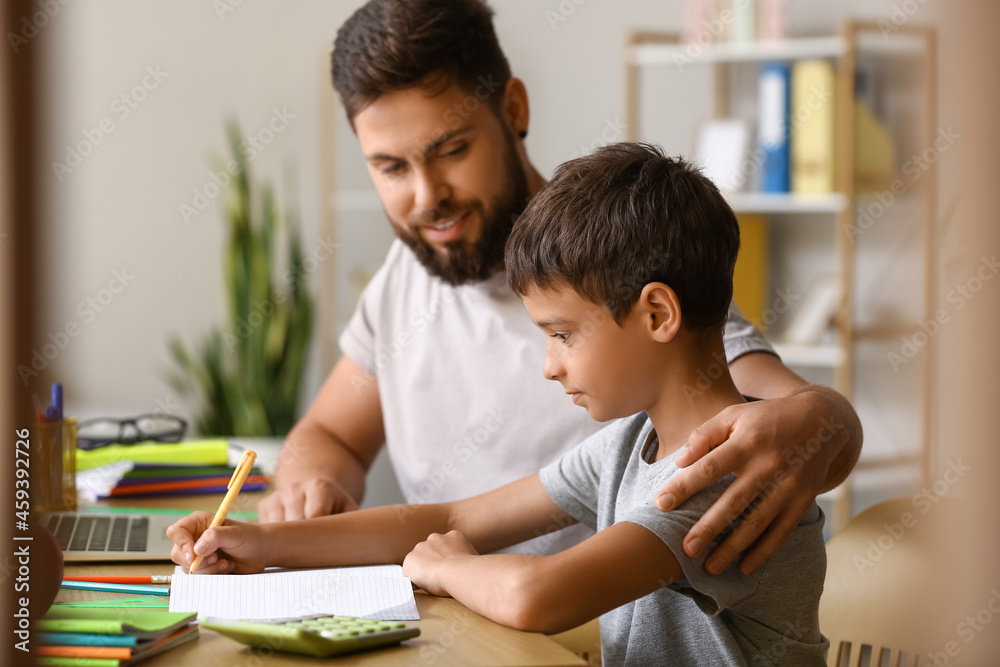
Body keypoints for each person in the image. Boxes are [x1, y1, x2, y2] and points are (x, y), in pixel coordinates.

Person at [260, 0, 862, 575]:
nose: (425, 197)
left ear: (514, 110)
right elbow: (331, 433)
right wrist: (311, 486)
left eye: (452, 150)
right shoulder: (405, 275)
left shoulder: (609, 262)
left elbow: (796, 417)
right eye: (391, 168)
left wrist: (824, 416)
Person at [169, 143, 829, 665]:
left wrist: (448, 566)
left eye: (563, 335)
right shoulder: (631, 444)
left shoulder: (727, 472)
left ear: (657, 311)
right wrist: (258, 541)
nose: (550, 365)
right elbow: (452, 514)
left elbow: (538, 594)